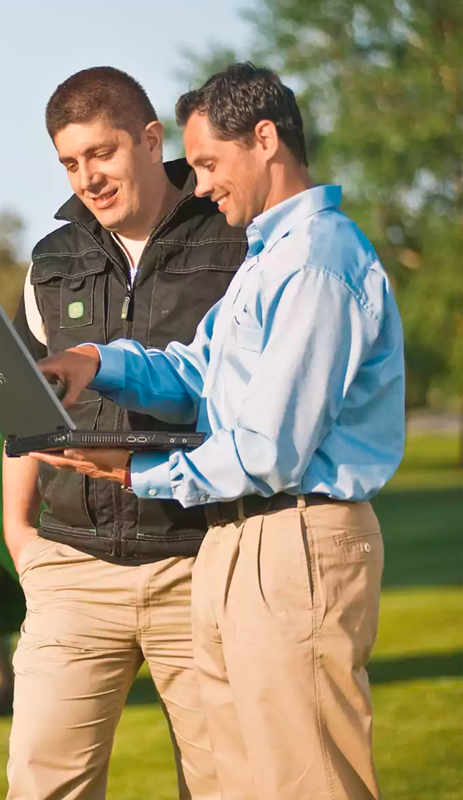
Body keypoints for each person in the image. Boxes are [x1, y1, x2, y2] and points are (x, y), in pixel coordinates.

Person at [32, 63, 405, 800]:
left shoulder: (317, 261)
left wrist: (140, 472)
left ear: (264, 139)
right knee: (239, 784)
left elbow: (269, 449)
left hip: (294, 539)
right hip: (236, 541)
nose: (198, 185)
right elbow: (199, 374)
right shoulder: (268, 258)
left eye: (207, 162)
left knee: (306, 782)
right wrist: (94, 362)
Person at [3, 66, 247, 800]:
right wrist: (22, 536)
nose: (88, 177)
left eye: (100, 154)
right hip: (72, 572)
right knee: (41, 788)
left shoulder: (234, 239)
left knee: (229, 786)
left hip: (200, 564)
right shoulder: (51, 261)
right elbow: (23, 407)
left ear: (150, 139)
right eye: (71, 163)